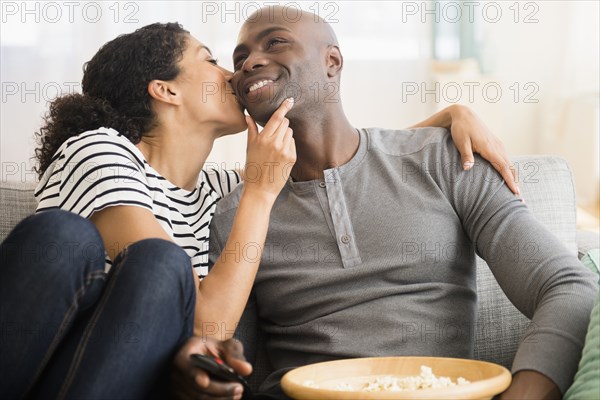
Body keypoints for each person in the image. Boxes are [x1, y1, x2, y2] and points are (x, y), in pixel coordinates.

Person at [0, 22, 512, 400]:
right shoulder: (101, 151)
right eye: (211, 59)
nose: (236, 71)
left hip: (124, 383)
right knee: (125, 253)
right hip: (43, 366)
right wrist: (262, 195)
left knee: (164, 264)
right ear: (166, 89)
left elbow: (339, 159)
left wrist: (449, 116)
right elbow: (208, 321)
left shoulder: (218, 193)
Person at [204, 6, 600, 400]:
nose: (251, 62)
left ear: (332, 61)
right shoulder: (236, 218)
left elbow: (567, 287)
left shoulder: (445, 159)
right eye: (239, 60)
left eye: (275, 42)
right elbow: (231, 356)